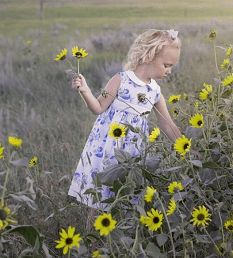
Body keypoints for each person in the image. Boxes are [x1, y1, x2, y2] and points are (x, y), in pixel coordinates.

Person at [68, 29, 183, 211]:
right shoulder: (120, 80)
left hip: (133, 152)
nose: (169, 72)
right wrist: (85, 90)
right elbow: (98, 107)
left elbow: (168, 125)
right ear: (149, 56)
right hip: (107, 147)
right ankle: (94, 228)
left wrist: (187, 148)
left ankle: (124, 225)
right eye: (167, 65)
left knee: (128, 190)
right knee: (103, 188)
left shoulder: (155, 92)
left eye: (171, 67)